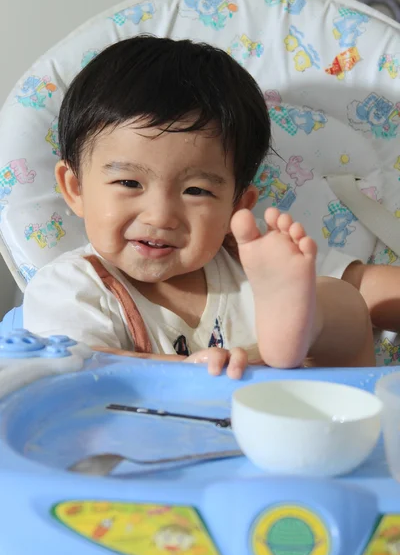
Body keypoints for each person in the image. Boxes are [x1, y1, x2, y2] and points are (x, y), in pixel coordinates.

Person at [23, 35, 375, 378]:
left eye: (195, 191)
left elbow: (377, 290)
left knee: (341, 301)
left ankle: (302, 324)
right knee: (78, 364)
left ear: (236, 208)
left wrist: (308, 303)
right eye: (129, 183)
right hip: (152, 433)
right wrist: (194, 372)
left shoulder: (263, 259)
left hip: (286, 425)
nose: (160, 216)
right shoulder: (69, 287)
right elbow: (76, 377)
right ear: (75, 188)